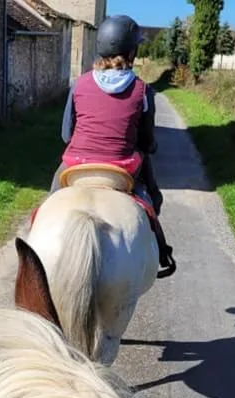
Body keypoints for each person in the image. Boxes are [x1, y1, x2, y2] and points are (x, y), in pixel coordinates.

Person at [50, 14, 175, 277]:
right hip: (120, 168)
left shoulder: (79, 84)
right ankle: (161, 248)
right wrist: (147, 147)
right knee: (148, 198)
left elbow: (65, 135)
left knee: (50, 201)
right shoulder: (142, 91)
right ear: (132, 52)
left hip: (77, 164)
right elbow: (146, 141)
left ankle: (32, 240)